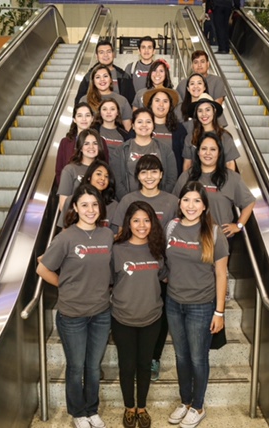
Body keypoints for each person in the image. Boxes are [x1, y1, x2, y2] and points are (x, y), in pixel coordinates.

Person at [36, 184, 114, 428]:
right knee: (76, 366)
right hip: (72, 316)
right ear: (75, 208)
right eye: (84, 205)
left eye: (94, 204)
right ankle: (78, 412)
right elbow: (42, 268)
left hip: (101, 312)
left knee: (93, 366)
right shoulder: (66, 237)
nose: (90, 210)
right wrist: (64, 285)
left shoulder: (107, 235)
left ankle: (92, 409)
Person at [164, 181, 229, 428]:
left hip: (201, 306)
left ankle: (198, 406)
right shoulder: (172, 226)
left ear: (204, 206)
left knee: (198, 358)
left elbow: (221, 274)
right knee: (181, 357)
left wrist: (219, 311)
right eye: (186, 200)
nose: (191, 205)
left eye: (196, 201)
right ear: (180, 203)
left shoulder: (213, 233)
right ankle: (185, 401)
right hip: (173, 302)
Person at [111, 155, 178, 383]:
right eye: (143, 172)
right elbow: (119, 233)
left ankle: (154, 358)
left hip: (164, 266)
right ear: (137, 176)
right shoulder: (129, 199)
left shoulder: (172, 201)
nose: (149, 176)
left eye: (154, 171)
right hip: (136, 267)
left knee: (162, 315)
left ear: (161, 175)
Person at [111, 201, 167, 428]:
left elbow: (163, 277)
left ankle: (141, 407)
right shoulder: (116, 250)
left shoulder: (158, 250)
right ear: (128, 223)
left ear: (152, 222)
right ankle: (129, 407)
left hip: (152, 318)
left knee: (145, 365)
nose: (141, 225)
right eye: (136, 220)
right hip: (122, 318)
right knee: (126, 366)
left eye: (146, 220)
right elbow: (108, 280)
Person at [174, 131, 255, 245]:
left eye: (213, 149)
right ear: (198, 152)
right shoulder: (187, 176)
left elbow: (249, 202)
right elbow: (175, 202)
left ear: (219, 153)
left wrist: (239, 225)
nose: (207, 153)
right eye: (204, 149)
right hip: (190, 239)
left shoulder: (231, 178)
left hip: (220, 240)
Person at [110, 108, 177, 200]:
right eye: (140, 122)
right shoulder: (121, 150)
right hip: (129, 203)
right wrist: (129, 200)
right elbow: (117, 181)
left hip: (159, 202)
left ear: (153, 125)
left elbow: (171, 178)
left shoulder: (165, 150)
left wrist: (159, 198)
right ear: (133, 126)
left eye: (148, 122)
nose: (144, 125)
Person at [182, 93, 239, 171]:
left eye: (208, 110)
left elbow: (230, 164)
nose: (204, 114)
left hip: (219, 180)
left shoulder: (225, 136)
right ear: (196, 114)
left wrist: (229, 183)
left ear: (214, 111)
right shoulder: (190, 137)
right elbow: (187, 164)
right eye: (200, 111)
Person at [57, 129, 107, 211]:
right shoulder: (69, 169)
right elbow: (63, 205)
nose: (91, 147)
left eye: (95, 143)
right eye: (86, 144)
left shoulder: (104, 170)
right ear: (80, 147)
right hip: (74, 220)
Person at [59, 160, 118, 230]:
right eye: (99, 174)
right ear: (89, 177)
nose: (103, 178)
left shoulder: (113, 205)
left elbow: (115, 235)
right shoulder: (71, 200)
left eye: (106, 176)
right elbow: (65, 230)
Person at [75, 39, 135, 105]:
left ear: (113, 54)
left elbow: (131, 101)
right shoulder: (89, 77)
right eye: (101, 52)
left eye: (108, 52)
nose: (105, 55)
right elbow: (79, 101)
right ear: (96, 56)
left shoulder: (124, 76)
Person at [144, 87, 187, 176]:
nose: (161, 104)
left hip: (171, 180)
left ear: (170, 106)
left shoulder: (179, 130)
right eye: (157, 100)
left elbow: (185, 159)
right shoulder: (141, 127)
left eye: (165, 101)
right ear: (151, 104)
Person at [80, 64, 133, 132]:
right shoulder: (85, 100)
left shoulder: (122, 100)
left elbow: (127, 129)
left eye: (105, 76)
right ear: (93, 81)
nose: (102, 80)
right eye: (98, 77)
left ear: (111, 79)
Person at [55, 102, 98, 185]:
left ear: (92, 118)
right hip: (70, 191)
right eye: (79, 115)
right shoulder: (65, 142)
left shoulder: (100, 141)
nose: (84, 119)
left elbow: (104, 168)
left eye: (87, 115)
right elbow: (59, 170)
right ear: (74, 119)